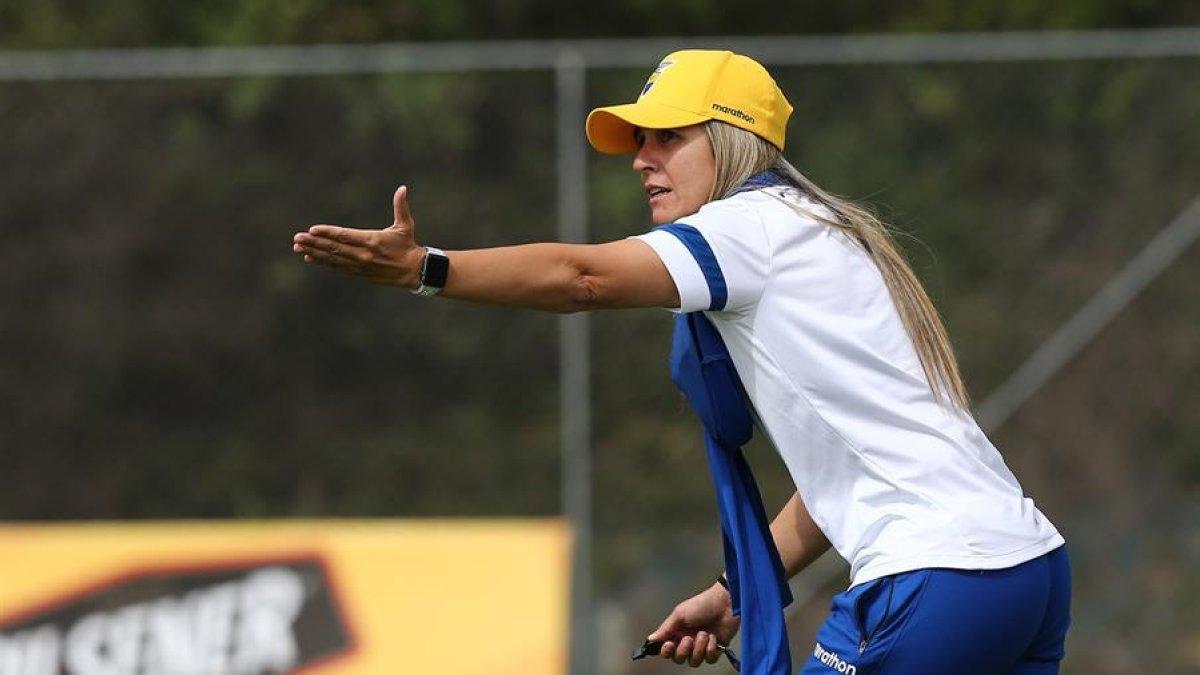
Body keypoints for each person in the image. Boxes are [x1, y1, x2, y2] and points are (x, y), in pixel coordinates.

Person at [292, 50, 1071, 674]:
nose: (642, 159)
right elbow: (843, 481)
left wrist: (426, 268)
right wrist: (735, 593)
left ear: (733, 142)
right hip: (1027, 571)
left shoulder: (748, 228)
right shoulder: (814, 230)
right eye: (639, 141)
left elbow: (581, 279)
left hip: (937, 578)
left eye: (669, 136)